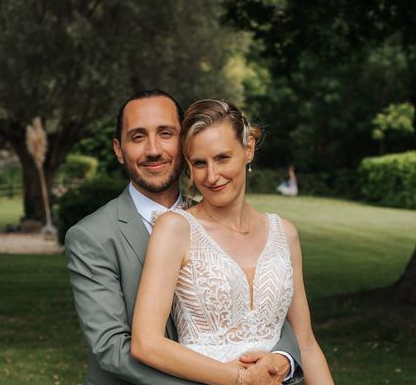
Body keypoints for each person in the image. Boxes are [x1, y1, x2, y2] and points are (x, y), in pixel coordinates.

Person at [64, 90, 301, 385]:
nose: (153, 149)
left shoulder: (214, 220)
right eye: (137, 137)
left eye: (166, 133)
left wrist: (284, 360)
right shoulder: (91, 237)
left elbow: (266, 310)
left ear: (184, 141)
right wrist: (232, 378)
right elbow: (113, 349)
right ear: (118, 149)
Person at [131, 99, 334, 385]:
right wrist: (241, 379)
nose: (212, 176)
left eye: (222, 158)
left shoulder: (285, 233)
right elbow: (146, 343)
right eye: (199, 163)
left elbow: (307, 344)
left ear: (248, 149)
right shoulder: (175, 229)